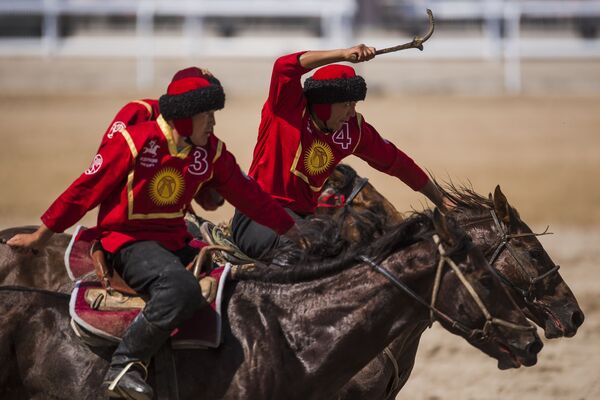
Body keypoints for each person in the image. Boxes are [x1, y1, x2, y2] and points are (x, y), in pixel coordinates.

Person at [8, 74, 297, 400]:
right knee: (180, 288)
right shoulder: (135, 141)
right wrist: (42, 236)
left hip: (176, 241)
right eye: (208, 115)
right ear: (186, 116)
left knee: (239, 277)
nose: (214, 123)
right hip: (127, 243)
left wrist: (292, 231)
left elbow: (249, 195)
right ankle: (126, 364)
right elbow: (84, 191)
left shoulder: (209, 152)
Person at [232, 44, 450, 260]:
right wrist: (343, 54)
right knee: (308, 249)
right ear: (323, 102)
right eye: (346, 104)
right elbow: (284, 66)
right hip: (258, 214)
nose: (350, 113)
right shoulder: (286, 108)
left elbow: (396, 162)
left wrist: (441, 200)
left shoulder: (352, 131)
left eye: (354, 104)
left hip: (304, 221)